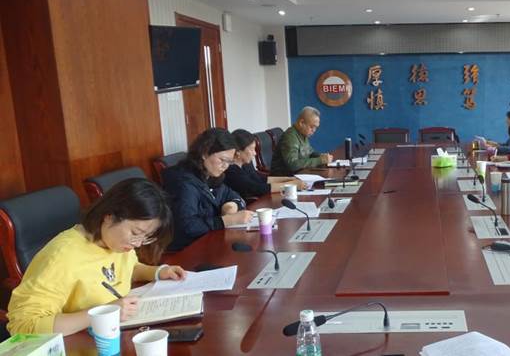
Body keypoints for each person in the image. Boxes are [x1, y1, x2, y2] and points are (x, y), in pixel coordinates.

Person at [6, 178, 187, 335]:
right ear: (109, 216)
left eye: (146, 237)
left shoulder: (115, 242)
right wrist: (103, 313)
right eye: (135, 232)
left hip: (111, 334)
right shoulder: (62, 256)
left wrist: (158, 272)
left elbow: (127, 269)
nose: (138, 244)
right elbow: (23, 326)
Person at [163, 128, 253, 251]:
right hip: (187, 249)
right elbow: (188, 226)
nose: (225, 166)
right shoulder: (183, 183)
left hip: (208, 240)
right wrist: (226, 221)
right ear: (205, 153)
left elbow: (233, 195)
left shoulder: (209, 174)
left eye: (229, 162)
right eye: (222, 160)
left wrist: (231, 205)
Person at [225, 129, 307, 199]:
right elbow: (257, 189)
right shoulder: (231, 171)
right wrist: (291, 184)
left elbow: (260, 179)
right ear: (238, 152)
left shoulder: (245, 163)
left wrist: (288, 179)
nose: (255, 153)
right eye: (252, 149)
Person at [270, 107, 333, 176]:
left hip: (299, 174)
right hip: (284, 178)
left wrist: (321, 156)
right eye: (312, 127)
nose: (314, 130)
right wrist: (320, 160)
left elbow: (310, 152)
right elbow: (293, 164)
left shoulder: (302, 134)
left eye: (316, 127)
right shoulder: (290, 137)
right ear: (301, 123)